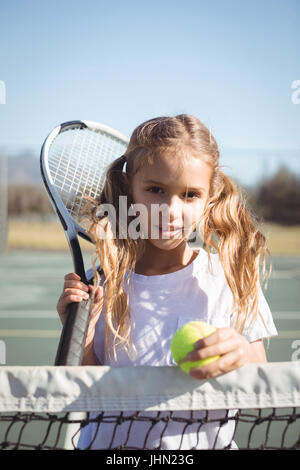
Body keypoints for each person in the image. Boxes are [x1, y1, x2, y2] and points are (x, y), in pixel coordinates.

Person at [57, 114, 277, 449]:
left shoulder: (230, 280)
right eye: (156, 190)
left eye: (190, 195)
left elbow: (264, 390)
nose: (171, 210)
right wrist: (83, 336)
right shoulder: (99, 285)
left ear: (209, 199)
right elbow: (75, 394)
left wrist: (240, 356)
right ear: (129, 190)